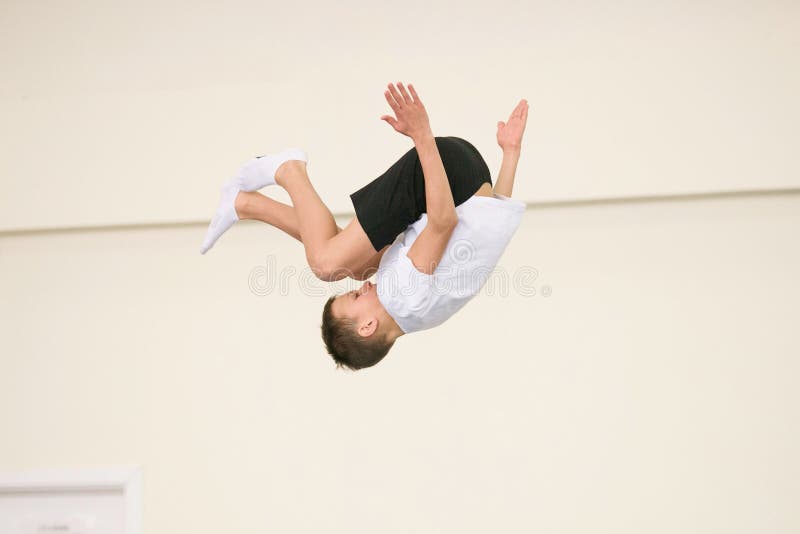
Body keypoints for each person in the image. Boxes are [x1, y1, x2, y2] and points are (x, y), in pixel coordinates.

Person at [200, 82, 529, 370]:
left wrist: (510, 153)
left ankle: (246, 204)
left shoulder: (421, 316)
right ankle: (289, 171)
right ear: (368, 326)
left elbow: (490, 230)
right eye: (356, 297)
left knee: (351, 262)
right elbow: (443, 222)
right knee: (326, 264)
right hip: (444, 172)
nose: (364, 289)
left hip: (471, 173)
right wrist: (422, 135)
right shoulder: (403, 297)